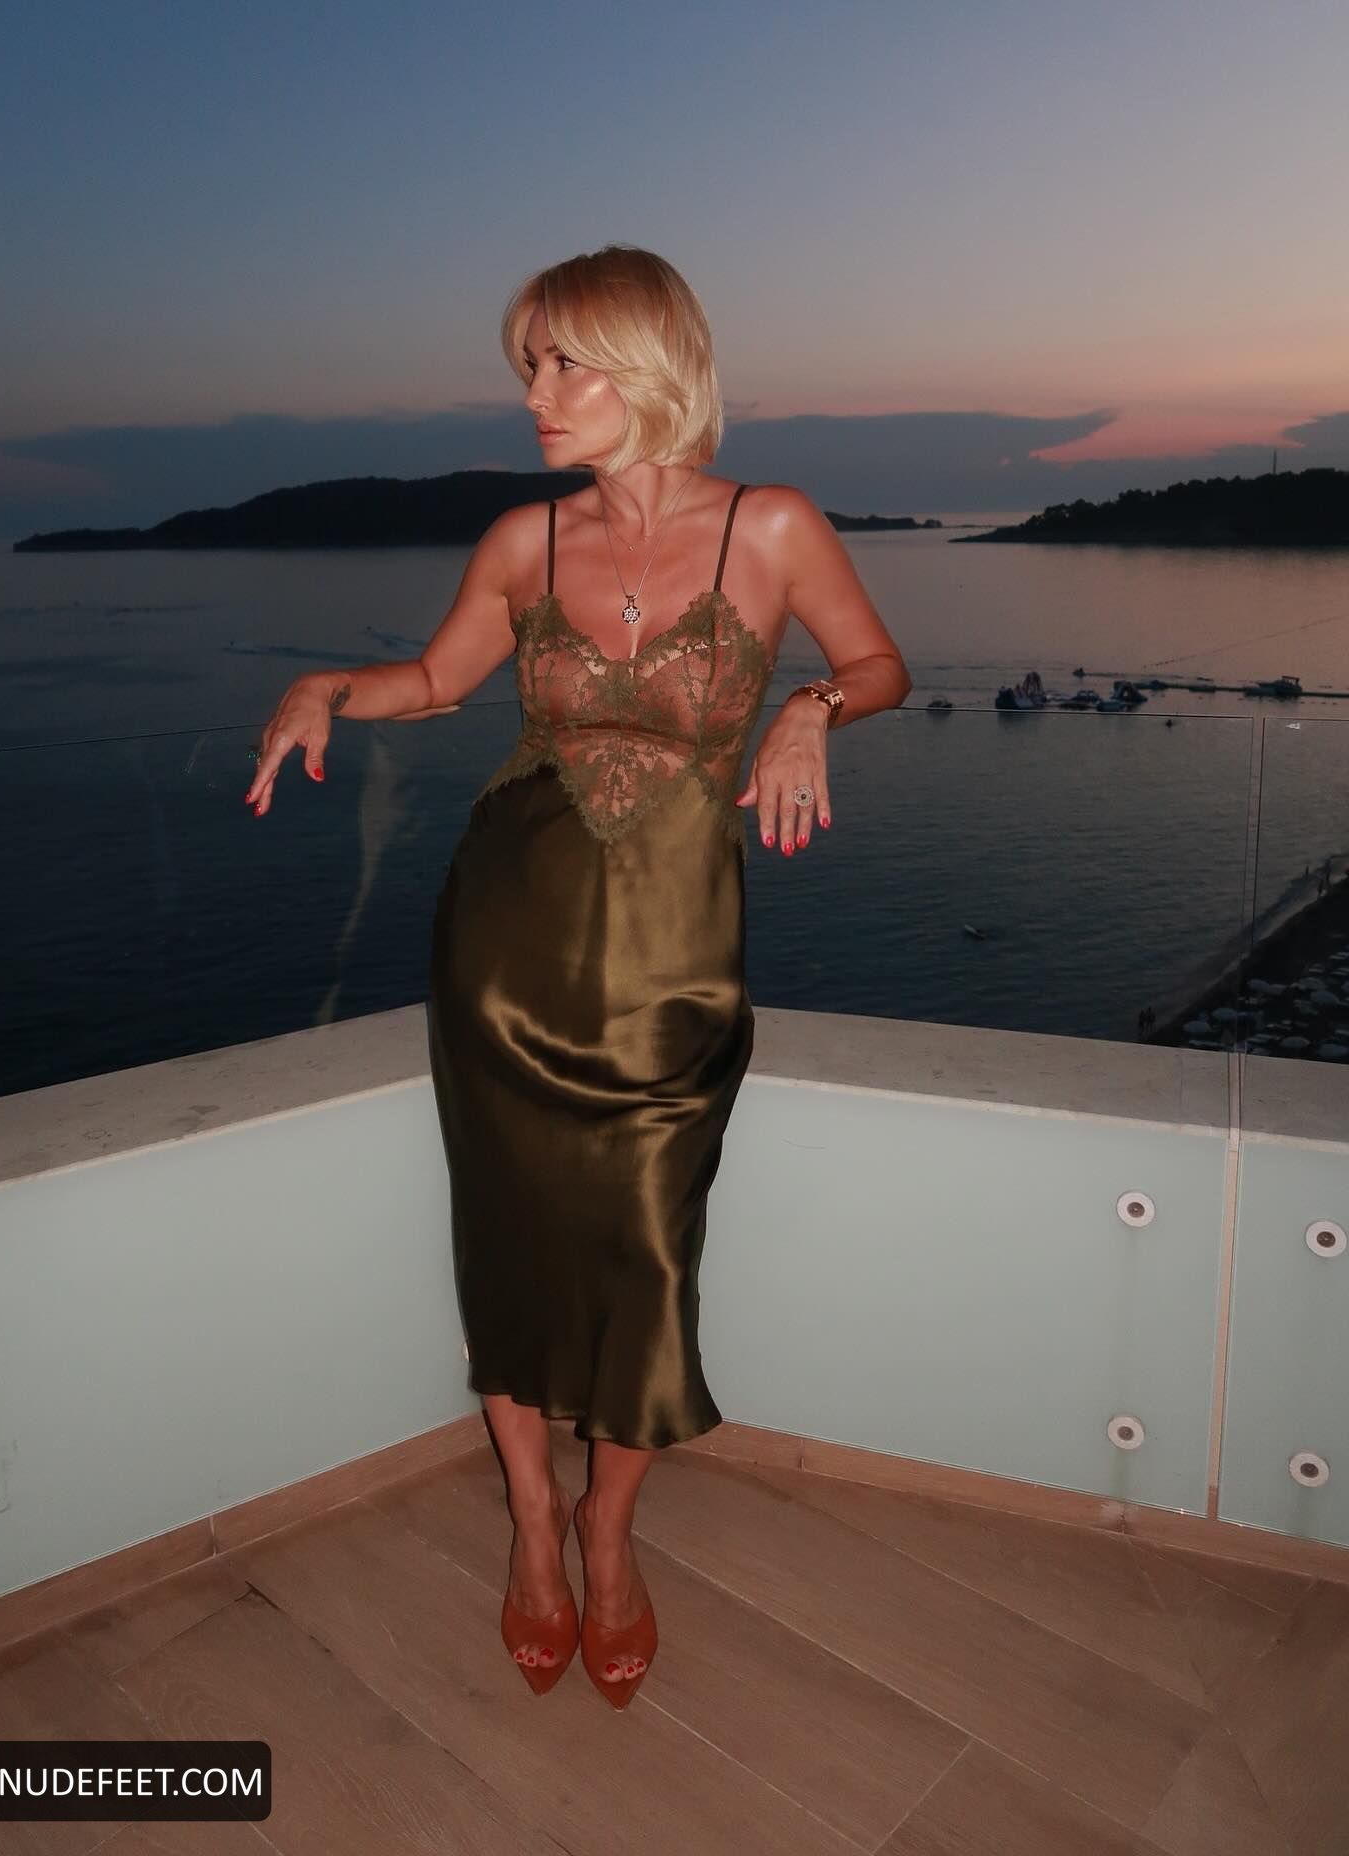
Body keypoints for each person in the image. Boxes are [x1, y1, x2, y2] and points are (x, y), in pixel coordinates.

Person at [246, 245, 912, 1708]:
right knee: (504, 1241)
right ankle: (535, 1526)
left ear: (652, 365)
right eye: (529, 367)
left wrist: (810, 707)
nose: (536, 394)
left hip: (677, 964)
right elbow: (438, 683)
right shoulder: (521, 540)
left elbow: (880, 665)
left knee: (645, 1259)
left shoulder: (773, 525)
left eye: (565, 363)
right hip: (503, 947)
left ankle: (610, 1532)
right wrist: (325, 687)